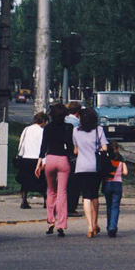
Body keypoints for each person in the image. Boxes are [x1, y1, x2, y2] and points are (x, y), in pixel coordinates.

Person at [37, 103, 74, 237]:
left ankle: (50, 221)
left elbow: (43, 145)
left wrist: (39, 161)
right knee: (62, 192)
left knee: (50, 191)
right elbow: (70, 146)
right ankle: (61, 225)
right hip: (63, 160)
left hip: (50, 159)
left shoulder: (47, 128)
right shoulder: (68, 127)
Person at [72, 107, 109, 238]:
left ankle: (89, 227)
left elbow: (75, 151)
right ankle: (95, 223)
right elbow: (104, 147)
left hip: (81, 167)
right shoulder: (99, 130)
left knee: (86, 197)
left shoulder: (75, 131)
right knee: (94, 195)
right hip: (95, 167)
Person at [15, 112, 47, 209]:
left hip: (26, 157)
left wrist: (20, 155)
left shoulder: (26, 129)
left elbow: (21, 142)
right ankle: (46, 201)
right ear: (44, 121)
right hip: (37, 159)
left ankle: (24, 200)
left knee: (25, 181)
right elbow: (44, 146)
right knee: (43, 181)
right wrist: (44, 160)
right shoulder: (42, 131)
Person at [102, 143, 128, 238]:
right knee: (115, 207)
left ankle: (109, 227)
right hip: (118, 185)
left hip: (107, 184)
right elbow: (125, 172)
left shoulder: (106, 159)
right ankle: (113, 226)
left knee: (109, 206)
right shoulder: (121, 159)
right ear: (117, 149)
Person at [65, 101, 83, 217]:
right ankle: (71, 207)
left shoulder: (64, 120)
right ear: (78, 112)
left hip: (60, 154)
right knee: (74, 183)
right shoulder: (76, 124)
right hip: (73, 155)